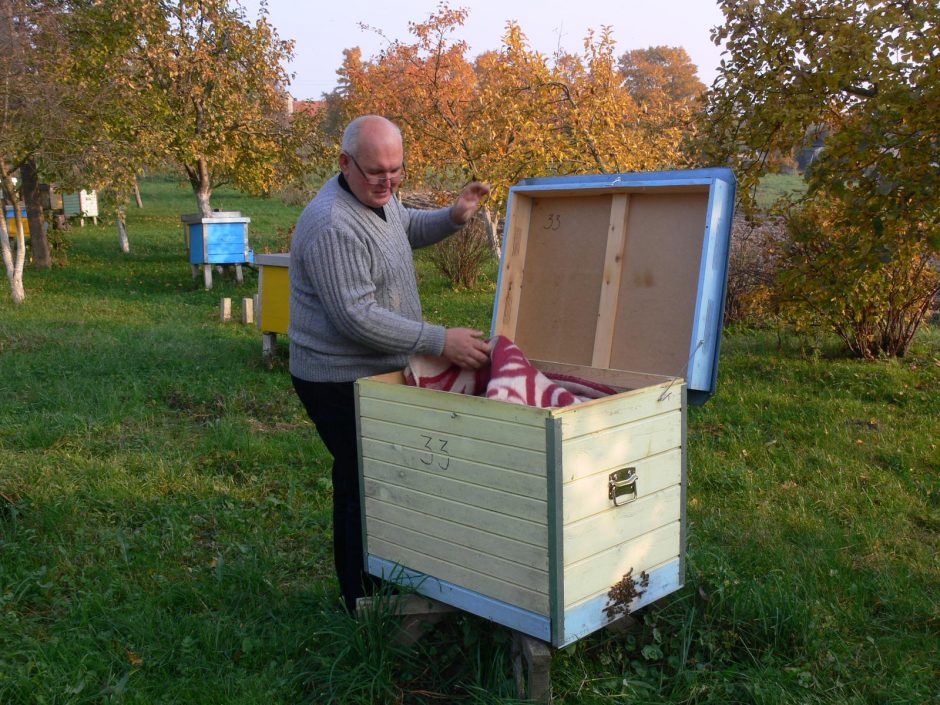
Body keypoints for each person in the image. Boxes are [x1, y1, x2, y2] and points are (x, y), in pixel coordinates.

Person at [288, 115, 491, 612]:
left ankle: (393, 572)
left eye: (397, 170)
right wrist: (438, 340)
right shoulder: (334, 224)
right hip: (336, 377)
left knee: (387, 476)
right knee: (362, 482)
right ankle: (363, 601)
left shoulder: (376, 198)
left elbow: (403, 228)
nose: (389, 182)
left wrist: (453, 216)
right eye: (378, 172)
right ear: (344, 163)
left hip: (373, 370)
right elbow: (356, 317)